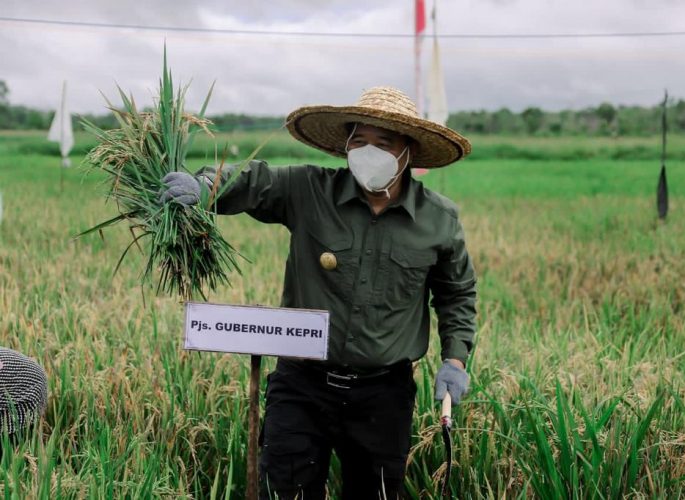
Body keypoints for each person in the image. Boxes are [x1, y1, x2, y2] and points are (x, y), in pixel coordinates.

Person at [160, 86, 477, 499]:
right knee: (285, 490)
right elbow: (254, 181)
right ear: (345, 146)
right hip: (302, 384)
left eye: (383, 143)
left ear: (408, 152)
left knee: (376, 492)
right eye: (359, 141)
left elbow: (456, 294)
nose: (369, 151)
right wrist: (205, 187)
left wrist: (454, 359)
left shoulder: (438, 221)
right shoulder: (309, 190)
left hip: (383, 393)